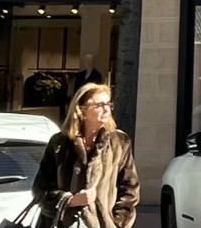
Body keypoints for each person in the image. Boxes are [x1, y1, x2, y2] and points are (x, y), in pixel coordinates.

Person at [33, 83, 139, 228]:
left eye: (108, 104)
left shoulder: (119, 142)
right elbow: (41, 189)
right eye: (100, 105)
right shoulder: (60, 143)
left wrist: (118, 222)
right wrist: (70, 200)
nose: (106, 109)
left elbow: (129, 189)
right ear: (81, 110)